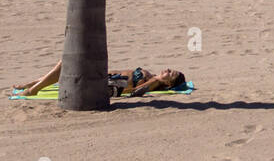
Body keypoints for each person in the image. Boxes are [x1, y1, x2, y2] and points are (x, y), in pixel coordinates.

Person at [15, 61, 187, 98]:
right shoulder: (151, 75)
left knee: (67, 63)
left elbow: (136, 92)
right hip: (102, 75)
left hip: (105, 83)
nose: (167, 69)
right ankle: (34, 84)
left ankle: (33, 89)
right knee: (68, 64)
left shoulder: (154, 82)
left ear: (168, 83)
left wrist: (154, 81)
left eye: (169, 73)